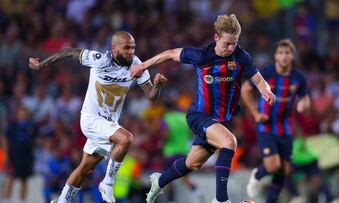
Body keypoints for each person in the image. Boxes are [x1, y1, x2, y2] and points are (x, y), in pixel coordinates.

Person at [131, 14, 276, 203]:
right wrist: (143, 65)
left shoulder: (240, 56)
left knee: (193, 163)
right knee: (229, 142)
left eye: (234, 43)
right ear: (216, 37)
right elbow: (169, 54)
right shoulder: (202, 56)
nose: (231, 48)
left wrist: (266, 91)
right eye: (227, 43)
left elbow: (258, 79)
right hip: (199, 115)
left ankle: (160, 180)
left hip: (219, 120)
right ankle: (221, 200)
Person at [28, 31, 167, 203]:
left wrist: (158, 85)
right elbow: (69, 51)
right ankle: (107, 184)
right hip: (91, 119)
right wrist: (42, 64)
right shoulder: (100, 59)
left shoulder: (136, 65)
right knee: (126, 139)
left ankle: (62, 200)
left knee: (86, 168)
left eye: (133, 47)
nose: (131, 51)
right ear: (114, 48)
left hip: (108, 123)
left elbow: (151, 95)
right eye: (126, 48)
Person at [241, 39, 311, 203]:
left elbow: (305, 98)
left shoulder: (298, 77)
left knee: (285, 169)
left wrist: (303, 104)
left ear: (292, 56)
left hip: (285, 128)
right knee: (273, 165)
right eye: (281, 53)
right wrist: (256, 113)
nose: (284, 56)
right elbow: (245, 90)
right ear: (275, 56)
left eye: (287, 53)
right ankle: (257, 174)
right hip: (266, 126)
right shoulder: (266, 73)